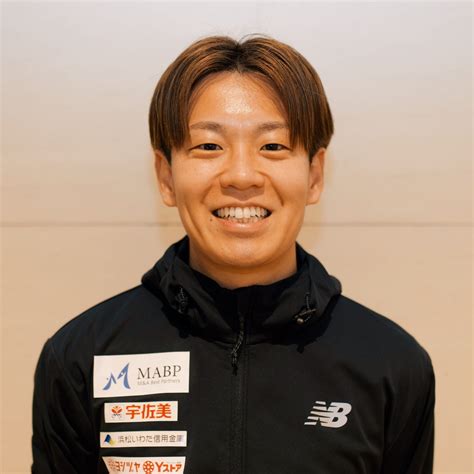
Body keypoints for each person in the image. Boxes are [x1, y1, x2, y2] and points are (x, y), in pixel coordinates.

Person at [32, 34, 435, 474]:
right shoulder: (81, 357)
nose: (242, 176)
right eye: (209, 146)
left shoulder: (391, 365)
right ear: (166, 177)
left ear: (315, 175)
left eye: (273, 146)